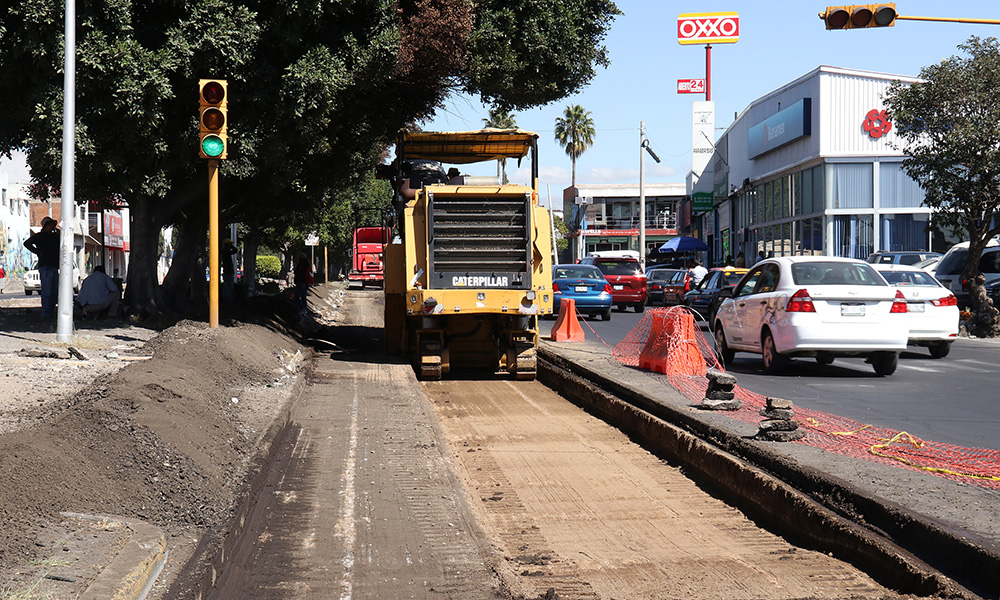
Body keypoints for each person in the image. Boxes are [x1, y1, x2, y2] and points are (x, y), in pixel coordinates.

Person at [24, 217, 60, 318]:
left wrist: (59, 234)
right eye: (50, 225)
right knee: (47, 291)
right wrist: (38, 252)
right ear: (45, 226)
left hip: (54, 265)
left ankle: (51, 311)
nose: (52, 227)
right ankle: (46, 312)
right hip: (45, 266)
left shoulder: (55, 236)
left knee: (54, 291)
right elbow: (27, 243)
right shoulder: (40, 236)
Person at [222, 239, 238, 304]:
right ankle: (228, 301)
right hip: (228, 272)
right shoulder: (226, 251)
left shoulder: (223, 251)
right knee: (229, 287)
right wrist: (231, 246)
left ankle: (227, 300)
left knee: (226, 286)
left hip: (227, 272)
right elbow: (235, 250)